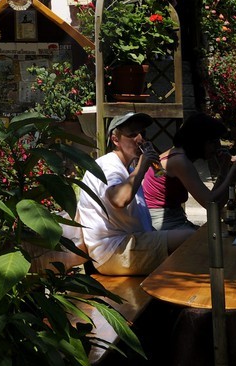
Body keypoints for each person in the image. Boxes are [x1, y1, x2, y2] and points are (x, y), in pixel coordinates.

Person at [76, 112, 181, 274]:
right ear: (115, 140)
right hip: (112, 251)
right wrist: (142, 167)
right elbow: (118, 200)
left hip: (126, 246)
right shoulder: (108, 165)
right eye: (132, 134)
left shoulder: (128, 169)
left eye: (143, 133)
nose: (140, 139)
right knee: (188, 238)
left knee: (191, 240)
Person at [142, 113, 236, 232]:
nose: (218, 147)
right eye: (213, 142)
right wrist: (234, 172)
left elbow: (215, 203)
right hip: (162, 223)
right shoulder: (180, 161)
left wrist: (224, 169)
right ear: (199, 141)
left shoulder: (177, 155)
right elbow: (210, 204)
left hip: (174, 218)